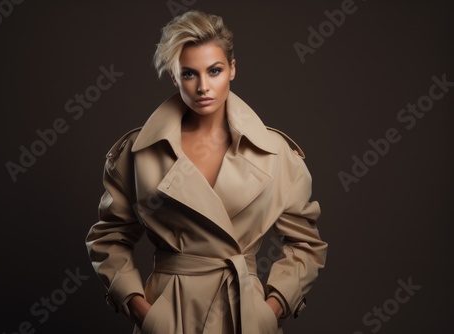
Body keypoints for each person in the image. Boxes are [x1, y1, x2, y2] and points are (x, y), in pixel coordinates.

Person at [86, 10, 327, 334]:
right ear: (174, 77)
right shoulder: (137, 152)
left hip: (243, 316)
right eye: (189, 74)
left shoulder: (276, 153)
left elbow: (305, 245)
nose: (203, 86)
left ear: (232, 69)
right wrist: (143, 312)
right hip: (171, 315)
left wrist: (270, 311)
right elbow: (110, 238)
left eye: (214, 71)